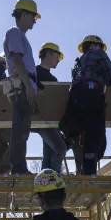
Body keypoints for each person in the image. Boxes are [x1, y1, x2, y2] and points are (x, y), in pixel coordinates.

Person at [61, 35, 111, 175]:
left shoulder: (79, 62)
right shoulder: (98, 53)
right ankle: (89, 169)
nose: (101, 49)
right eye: (100, 46)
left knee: (76, 129)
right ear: (95, 45)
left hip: (75, 96)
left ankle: (65, 143)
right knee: (95, 133)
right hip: (91, 93)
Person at [3, 0, 41, 175]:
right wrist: (28, 87)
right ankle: (18, 168)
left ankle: (20, 167)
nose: (35, 20)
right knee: (20, 128)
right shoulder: (15, 33)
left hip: (25, 84)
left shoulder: (20, 36)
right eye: (33, 16)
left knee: (23, 128)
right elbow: (17, 60)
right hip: (22, 86)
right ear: (24, 14)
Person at [34, 43, 69, 173]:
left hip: (50, 122)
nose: (58, 61)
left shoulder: (53, 78)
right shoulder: (33, 72)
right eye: (57, 56)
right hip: (38, 118)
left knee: (48, 155)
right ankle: (52, 179)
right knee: (60, 149)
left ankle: (44, 184)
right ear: (48, 54)